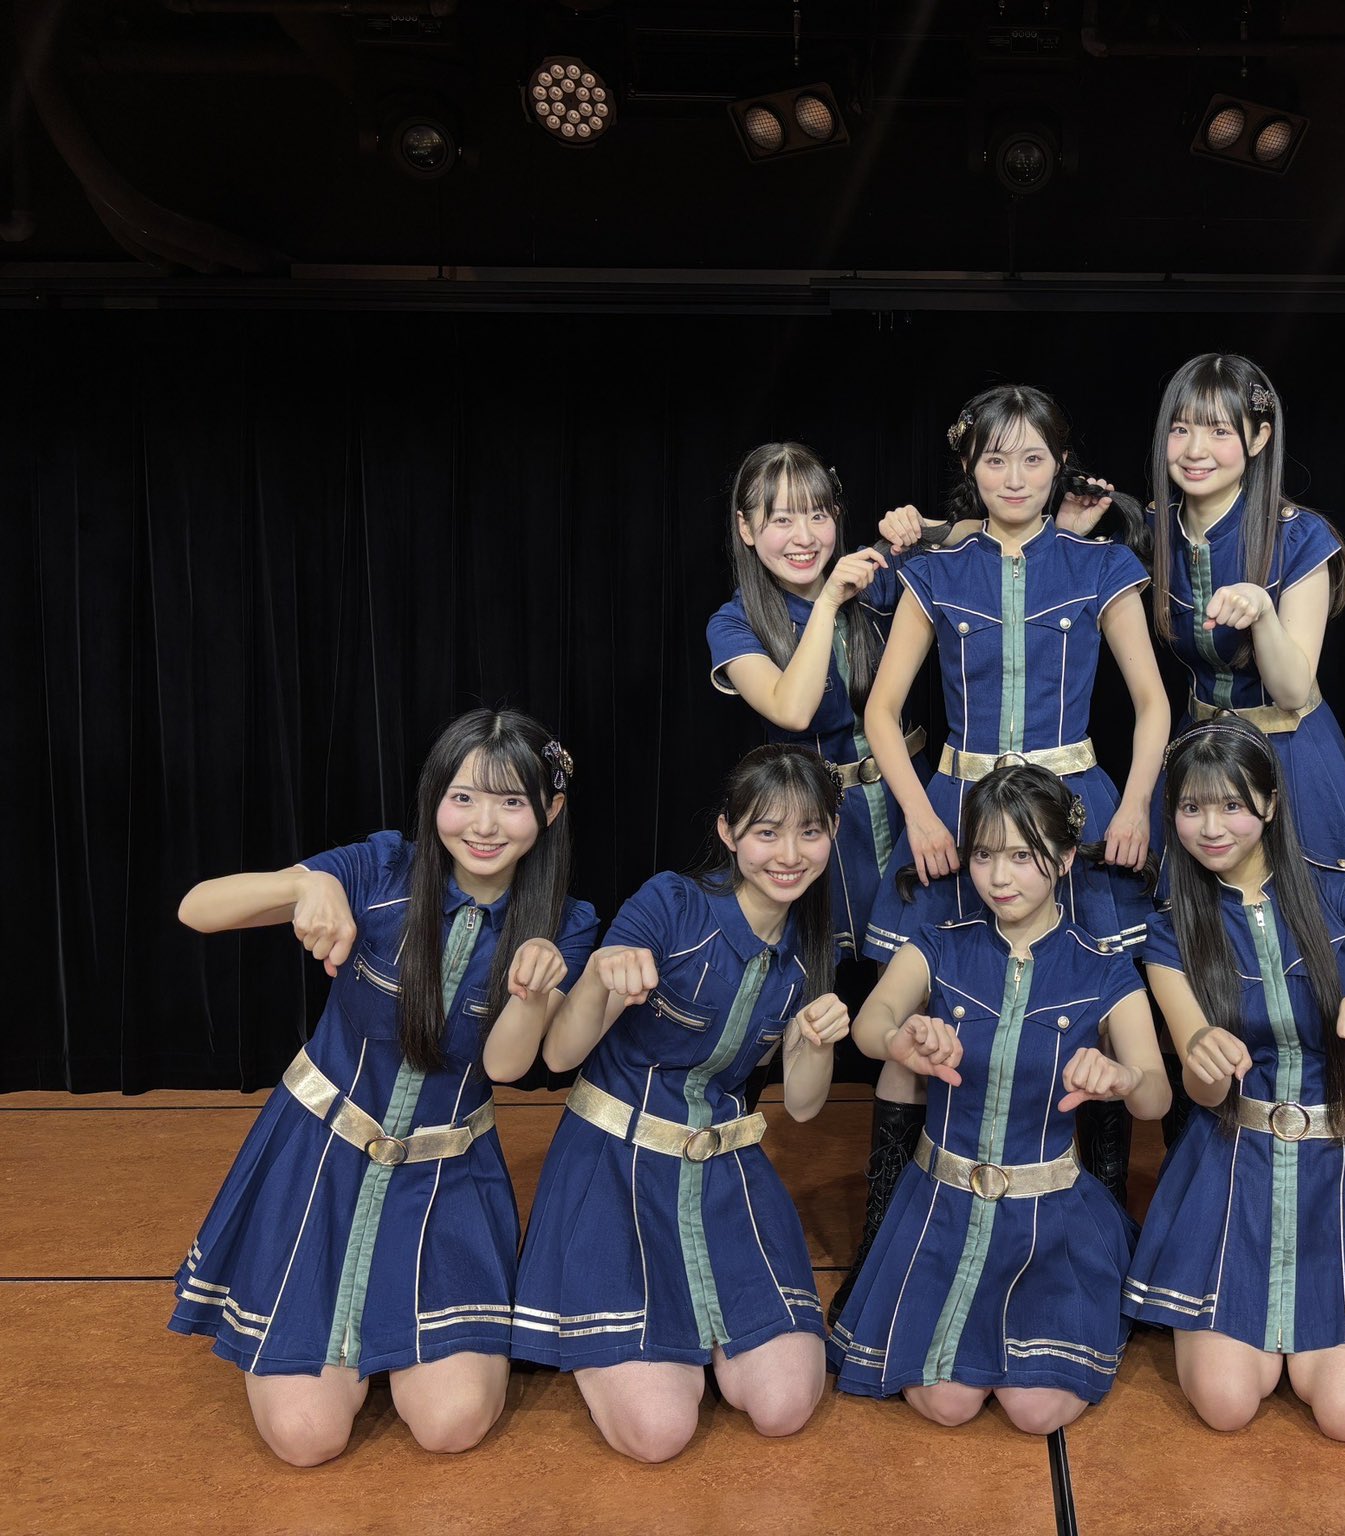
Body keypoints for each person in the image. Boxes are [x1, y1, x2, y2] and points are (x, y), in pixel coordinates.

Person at [170, 707, 595, 1465]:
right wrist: (305, 885)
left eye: (511, 802)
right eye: (463, 797)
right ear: (435, 797)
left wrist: (533, 994)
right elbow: (196, 909)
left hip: (448, 1182)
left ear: (550, 810)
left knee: (453, 1425)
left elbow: (506, 1069)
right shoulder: (382, 867)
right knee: (306, 1439)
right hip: (315, 1167)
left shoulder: (565, 922)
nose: (484, 824)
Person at [860, 384, 1171, 1204]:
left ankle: (1100, 1220)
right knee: (924, 1011)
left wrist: (1136, 805)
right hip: (960, 813)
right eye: (995, 459)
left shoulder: (1102, 564)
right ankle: (888, 1225)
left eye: (1034, 458)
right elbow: (882, 711)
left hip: (1073, 819)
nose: (1015, 476)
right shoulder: (937, 571)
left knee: (1095, 1012)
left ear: (1060, 463)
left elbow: (1153, 703)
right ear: (970, 465)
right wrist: (922, 816)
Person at [510, 745, 848, 1461]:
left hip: (724, 1174)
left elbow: (804, 1106)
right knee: (659, 1433)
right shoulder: (670, 903)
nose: (789, 855)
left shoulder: (811, 942)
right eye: (767, 832)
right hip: (616, 1171)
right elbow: (560, 1056)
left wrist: (817, 1043)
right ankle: (654, 1344)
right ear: (728, 831)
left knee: (786, 1407)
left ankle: (692, 1341)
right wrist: (600, 977)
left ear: (833, 834)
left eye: (810, 832)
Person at [1125, 715, 1345, 1440]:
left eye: (1232, 805)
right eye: (1191, 807)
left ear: (1270, 804)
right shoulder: (1170, 929)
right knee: (1226, 1405)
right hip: (1231, 1165)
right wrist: (1203, 1055)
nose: (1211, 827)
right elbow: (1202, 1093)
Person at [830, 765, 1169, 1433]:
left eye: (1021, 856)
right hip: (941, 1209)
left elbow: (1156, 1095)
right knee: (948, 1405)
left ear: (1065, 859)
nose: (998, 877)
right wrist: (902, 1039)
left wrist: (1123, 1078)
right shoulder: (937, 945)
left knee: (1037, 1410)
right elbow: (871, 1024)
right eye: (984, 855)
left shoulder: (1105, 967)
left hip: (1050, 1221)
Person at [703, 441, 941, 1326]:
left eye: (817, 513)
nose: (802, 534)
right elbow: (794, 709)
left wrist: (924, 530)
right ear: (746, 529)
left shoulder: (877, 577)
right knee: (782, 1014)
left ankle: (891, 1236)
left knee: (917, 1015)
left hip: (903, 811)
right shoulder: (735, 621)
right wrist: (833, 597)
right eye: (779, 517)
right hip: (803, 834)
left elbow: (984, 540)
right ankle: (729, 1214)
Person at [1140, 353, 1345, 878]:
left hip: (1289, 756)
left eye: (1219, 430)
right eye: (1180, 429)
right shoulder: (1152, 529)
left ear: (1259, 438)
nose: (1195, 450)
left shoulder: (1298, 537)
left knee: (1309, 911)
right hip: (1199, 753)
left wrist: (1263, 612)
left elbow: (1293, 692)